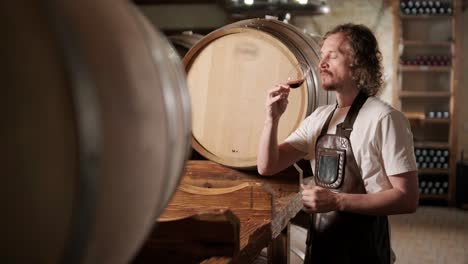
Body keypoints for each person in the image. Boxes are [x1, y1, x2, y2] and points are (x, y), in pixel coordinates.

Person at [257, 23, 418, 264]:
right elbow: (267, 166)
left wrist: (336, 201)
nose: (321, 63)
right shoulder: (319, 118)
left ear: (358, 65)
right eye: (322, 56)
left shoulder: (385, 118)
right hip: (320, 248)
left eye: (333, 56)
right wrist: (272, 119)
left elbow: (407, 198)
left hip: (364, 252)